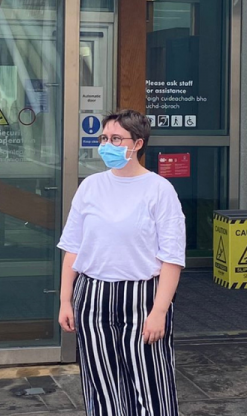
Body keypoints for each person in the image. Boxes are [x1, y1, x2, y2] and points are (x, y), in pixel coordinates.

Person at [57, 108, 186, 416]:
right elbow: (73, 248)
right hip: (92, 295)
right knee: (102, 384)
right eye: (104, 138)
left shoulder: (159, 190)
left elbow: (172, 258)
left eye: (116, 139)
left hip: (142, 297)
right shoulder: (90, 186)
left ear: (137, 143)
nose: (107, 145)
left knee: (151, 383)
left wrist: (159, 312)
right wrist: (65, 301)